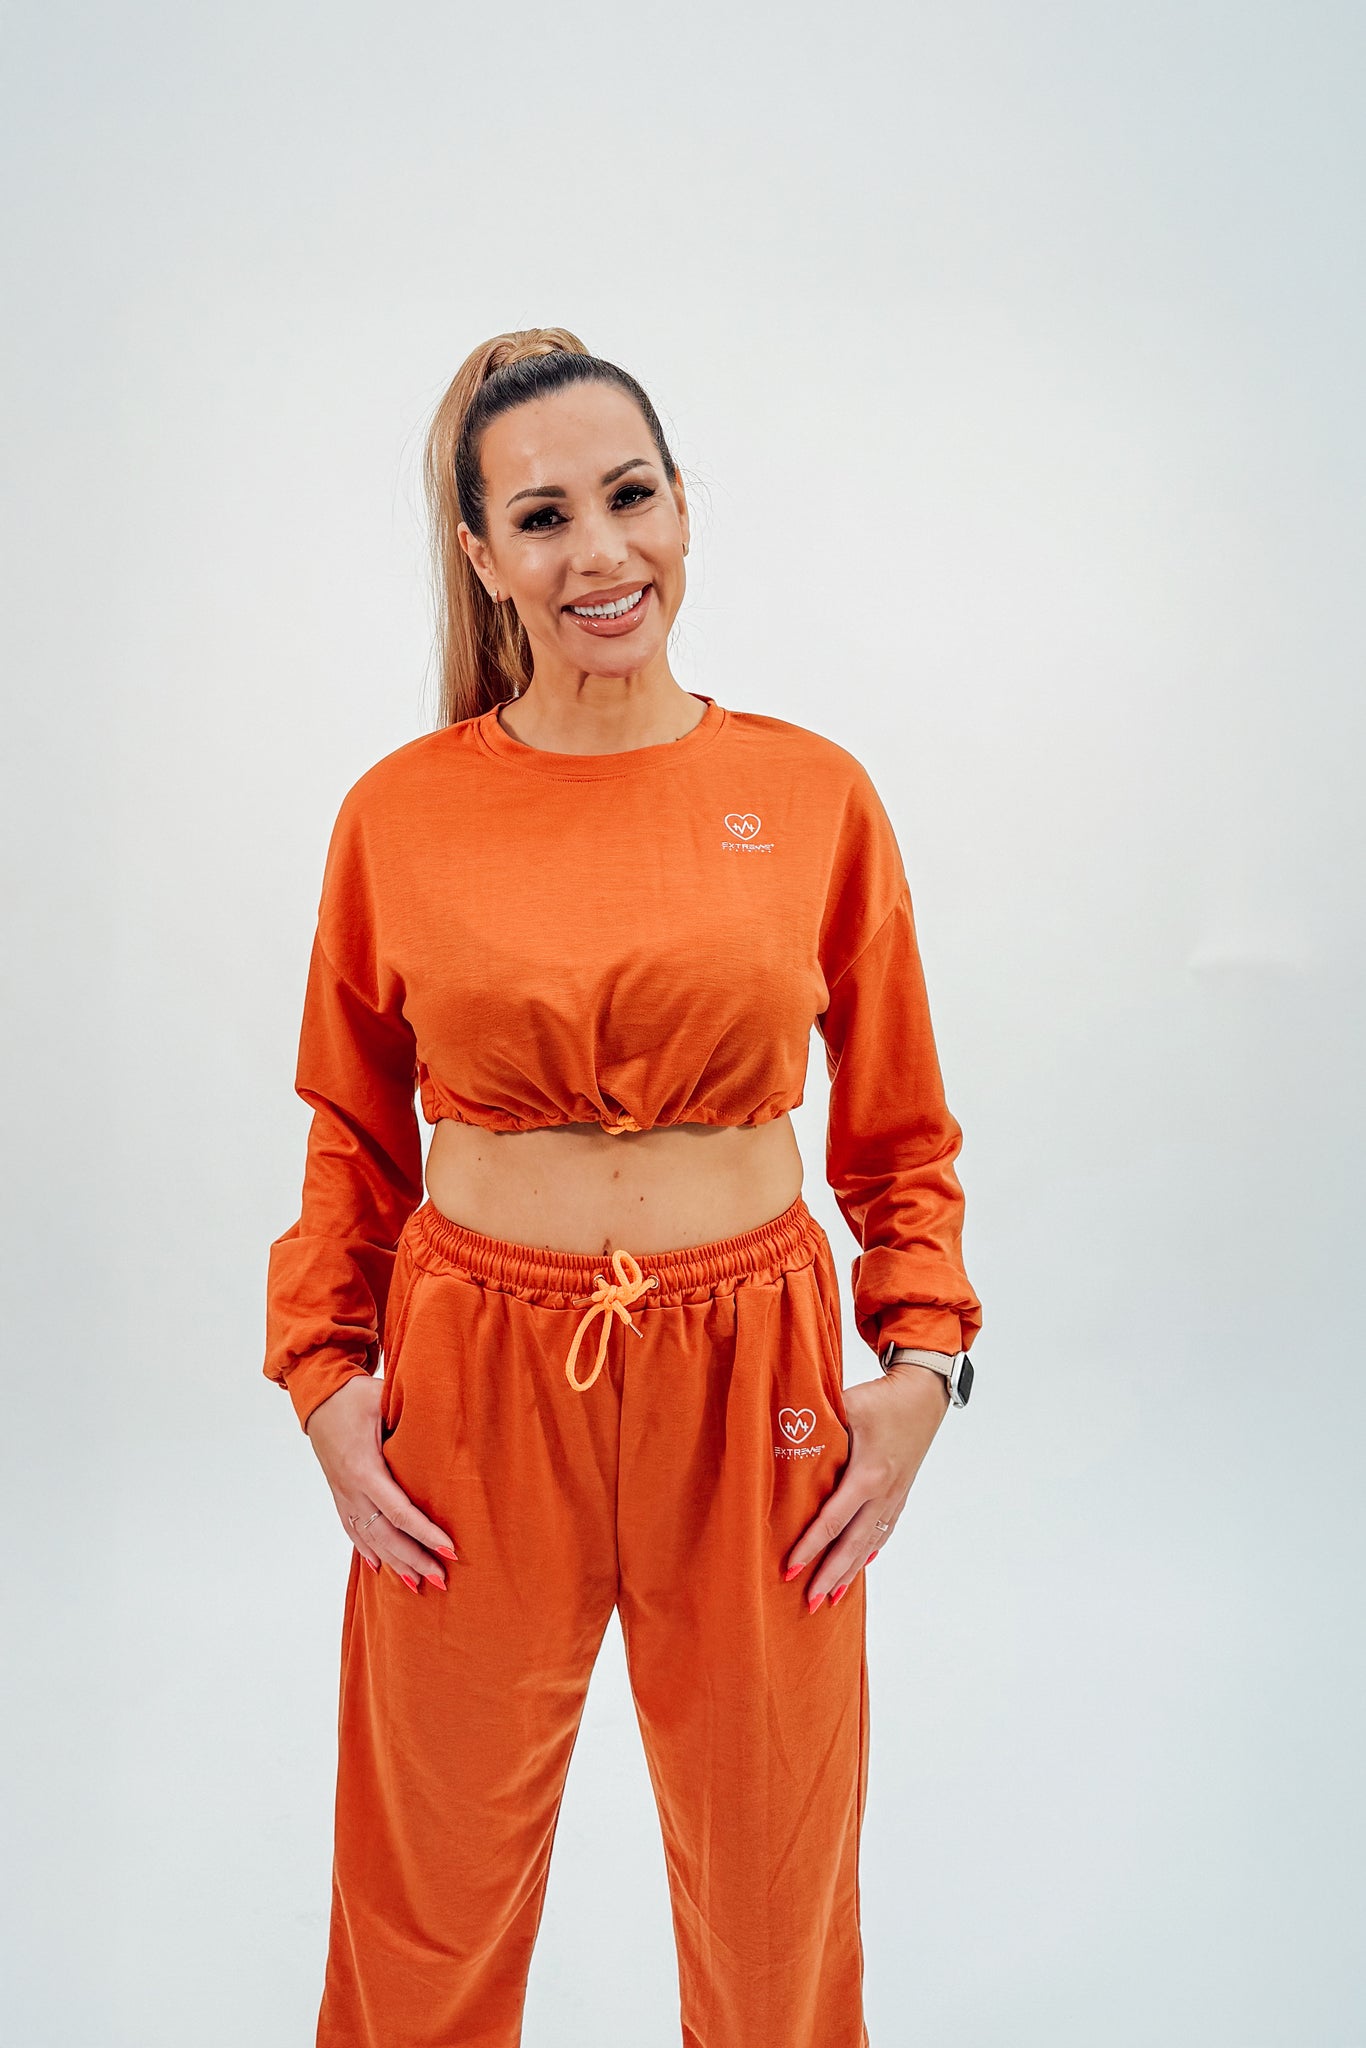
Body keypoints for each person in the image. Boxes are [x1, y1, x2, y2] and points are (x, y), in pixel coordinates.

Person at [264, 326, 983, 2048]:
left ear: (680, 508)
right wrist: (324, 1379)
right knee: (427, 1886)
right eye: (541, 516)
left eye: (629, 496)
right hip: (472, 1383)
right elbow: (352, 1133)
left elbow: (899, 1129)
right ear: (480, 554)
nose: (600, 553)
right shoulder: (399, 815)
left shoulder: (808, 795)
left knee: (770, 1887)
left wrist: (925, 1366)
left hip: (751, 1380)